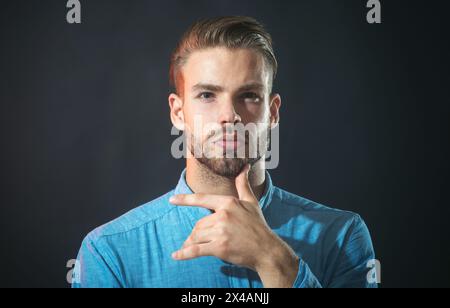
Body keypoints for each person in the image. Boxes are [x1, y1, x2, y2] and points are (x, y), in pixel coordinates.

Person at [72, 16, 377, 288]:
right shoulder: (110, 253)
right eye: (207, 95)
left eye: (248, 96)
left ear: (272, 113)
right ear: (178, 112)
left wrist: (272, 258)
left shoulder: (341, 237)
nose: (229, 115)